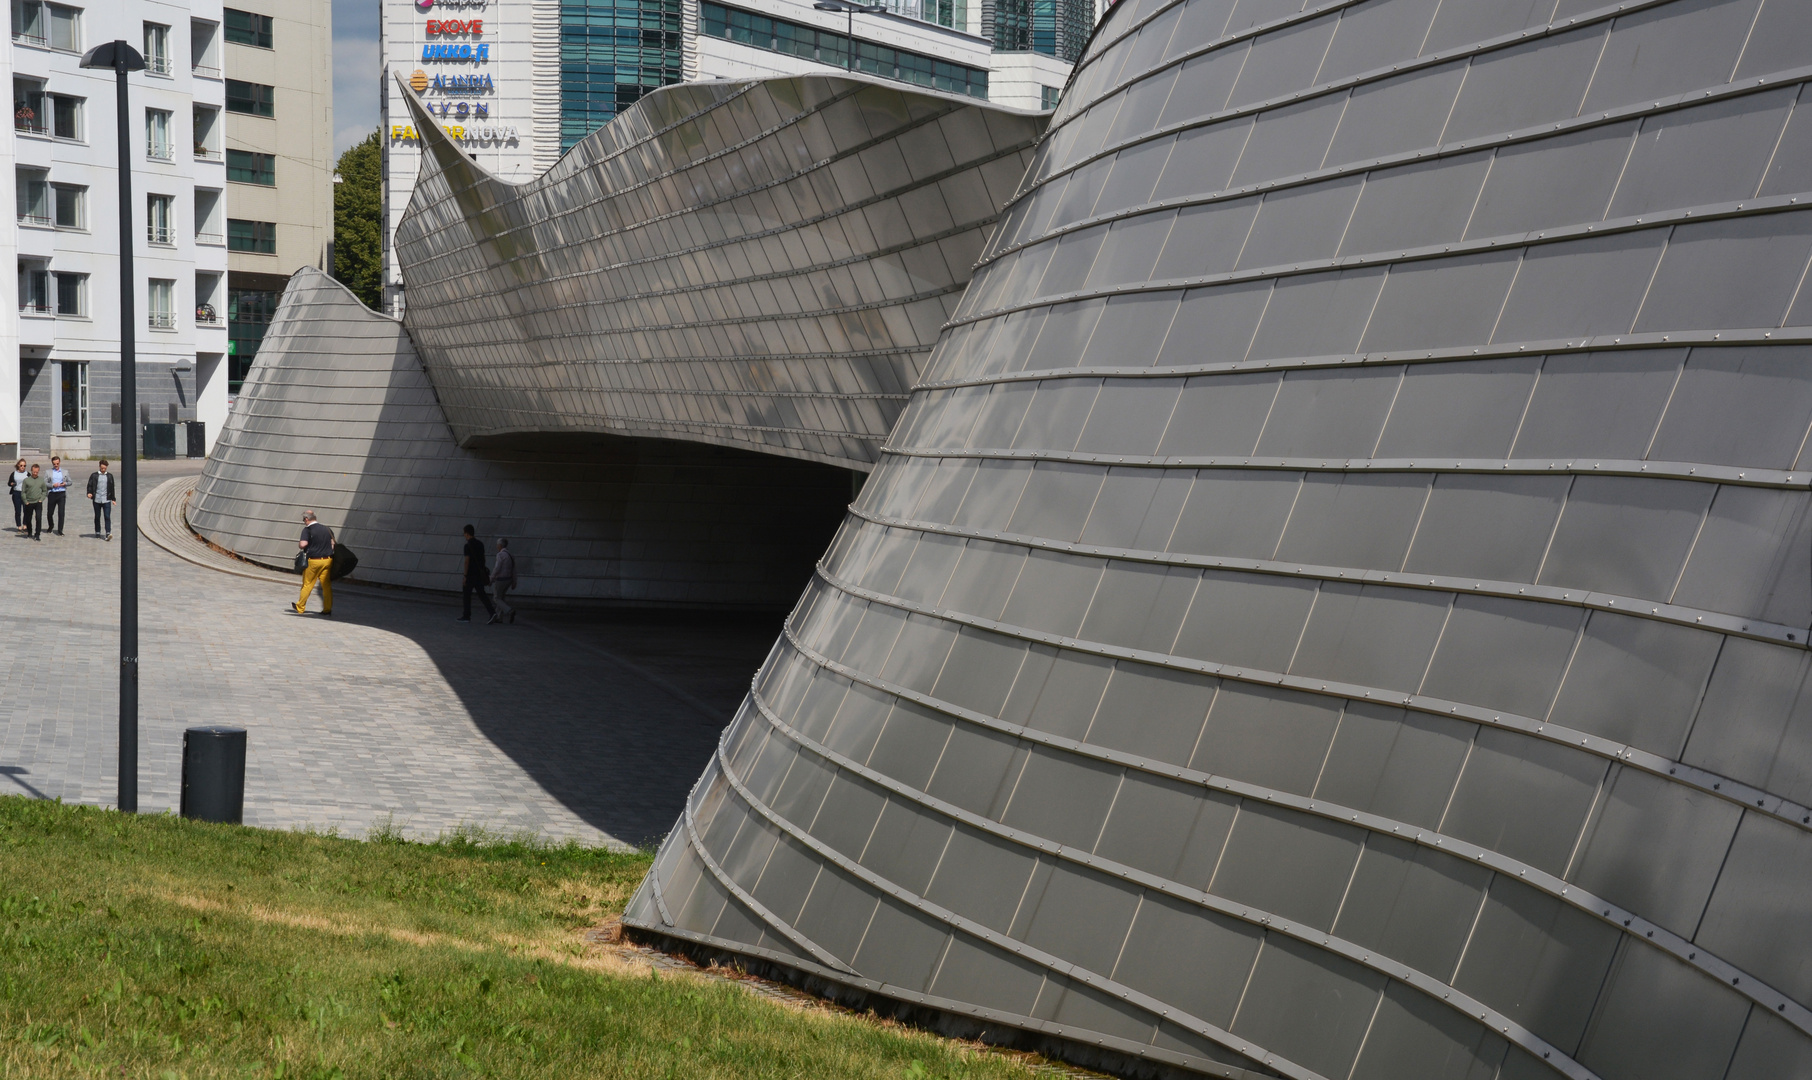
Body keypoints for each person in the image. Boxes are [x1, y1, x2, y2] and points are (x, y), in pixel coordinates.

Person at [294, 511, 335, 616]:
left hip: (314, 561)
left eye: (303, 520)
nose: (304, 522)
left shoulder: (307, 530)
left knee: (307, 584)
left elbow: (303, 544)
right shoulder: (327, 529)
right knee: (326, 586)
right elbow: (333, 544)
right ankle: (327, 609)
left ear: (307, 519)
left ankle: (300, 607)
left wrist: (300, 544)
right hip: (327, 560)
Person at [458, 524, 495, 623]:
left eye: (464, 533)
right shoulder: (480, 544)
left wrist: (465, 576)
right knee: (482, 594)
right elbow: (483, 559)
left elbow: (467, 561)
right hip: (479, 573)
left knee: (466, 595)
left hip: (470, 574)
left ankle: (466, 616)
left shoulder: (467, 545)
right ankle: (492, 612)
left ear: (466, 534)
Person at [488, 537, 516, 624]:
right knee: (501, 598)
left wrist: (491, 579)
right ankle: (499, 617)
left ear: (500, 545)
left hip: (500, 579)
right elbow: (514, 569)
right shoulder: (510, 555)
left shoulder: (500, 555)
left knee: (496, 598)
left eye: (497, 545)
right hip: (509, 579)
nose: (497, 546)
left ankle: (509, 610)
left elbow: (497, 568)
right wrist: (514, 581)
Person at [86, 459, 116, 540]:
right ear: (99, 467)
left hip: (106, 499)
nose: (103, 470)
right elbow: (90, 485)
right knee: (97, 516)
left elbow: (112, 488)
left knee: (107, 516)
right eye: (102, 468)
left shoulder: (109, 476)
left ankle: (108, 532)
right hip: (97, 499)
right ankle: (98, 532)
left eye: (105, 468)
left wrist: (113, 499)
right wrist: (89, 493)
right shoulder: (94, 475)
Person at [19, 464, 47, 540]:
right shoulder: (26, 480)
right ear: (31, 471)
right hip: (29, 502)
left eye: (36, 472)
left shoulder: (41, 480)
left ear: (38, 471)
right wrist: (25, 501)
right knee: (28, 518)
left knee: (38, 518)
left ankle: (37, 534)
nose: (35, 473)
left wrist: (41, 499)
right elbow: (23, 492)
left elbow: (45, 491)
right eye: (34, 472)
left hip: (38, 502)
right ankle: (30, 532)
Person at [45, 455, 68, 536]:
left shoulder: (65, 472)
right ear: (52, 463)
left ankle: (60, 530)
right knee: (50, 513)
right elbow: (45, 483)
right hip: (52, 493)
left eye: (57, 463)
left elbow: (70, 482)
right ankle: (51, 525)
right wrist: (52, 485)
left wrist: (65, 483)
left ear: (59, 463)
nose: (56, 465)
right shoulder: (48, 472)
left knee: (61, 513)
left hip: (61, 493)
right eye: (54, 464)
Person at [8, 459, 25, 532]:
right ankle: (19, 526)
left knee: (26, 510)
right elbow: (9, 483)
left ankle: (25, 525)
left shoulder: (27, 474)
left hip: (25, 493)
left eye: (24, 466)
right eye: (21, 465)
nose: (22, 467)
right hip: (16, 493)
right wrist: (11, 484)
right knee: (18, 511)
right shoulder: (14, 473)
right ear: (18, 465)